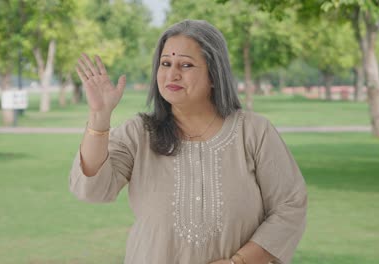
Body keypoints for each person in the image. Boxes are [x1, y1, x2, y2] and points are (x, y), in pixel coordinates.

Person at [69, 19, 307, 264]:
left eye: (186, 64)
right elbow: (92, 189)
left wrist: (240, 262)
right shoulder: (139, 133)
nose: (172, 74)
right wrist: (99, 116)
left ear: (214, 75)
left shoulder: (254, 132)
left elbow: (290, 207)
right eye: (165, 63)